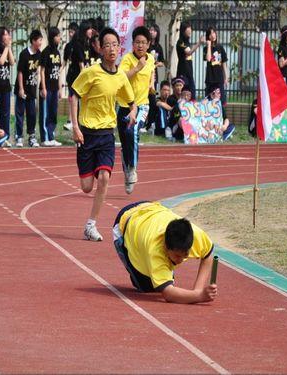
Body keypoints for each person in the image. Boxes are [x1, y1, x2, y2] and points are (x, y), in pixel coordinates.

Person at [70, 27, 136, 242]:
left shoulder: (120, 76)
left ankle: (91, 225)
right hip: (87, 134)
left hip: (107, 134)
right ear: (100, 48)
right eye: (106, 45)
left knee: (105, 177)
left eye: (114, 45)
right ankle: (90, 220)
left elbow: (130, 100)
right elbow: (73, 96)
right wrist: (76, 128)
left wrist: (133, 111)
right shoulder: (91, 72)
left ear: (119, 48)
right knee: (87, 187)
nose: (111, 49)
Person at [112, 201, 218, 304]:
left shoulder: (197, 236)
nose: (180, 260)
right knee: (148, 288)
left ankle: (163, 272)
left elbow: (208, 254)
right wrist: (199, 296)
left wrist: (197, 290)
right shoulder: (154, 250)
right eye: (177, 255)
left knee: (162, 282)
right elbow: (168, 294)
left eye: (185, 255)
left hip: (152, 208)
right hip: (125, 221)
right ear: (165, 247)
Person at [117, 26, 155, 194]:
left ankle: (132, 168)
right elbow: (122, 77)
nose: (140, 46)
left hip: (142, 105)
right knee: (125, 140)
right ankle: (127, 172)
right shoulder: (127, 59)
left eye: (143, 43)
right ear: (133, 44)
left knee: (132, 132)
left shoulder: (151, 59)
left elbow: (151, 72)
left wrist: (152, 84)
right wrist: (137, 68)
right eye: (137, 42)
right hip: (125, 106)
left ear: (148, 45)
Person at [14, 29, 42, 148]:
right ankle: (19, 136)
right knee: (20, 113)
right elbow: (20, 72)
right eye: (40, 40)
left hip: (32, 89)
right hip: (23, 89)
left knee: (31, 114)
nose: (41, 42)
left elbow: (39, 70)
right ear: (33, 41)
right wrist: (21, 89)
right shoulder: (24, 54)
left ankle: (31, 136)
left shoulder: (39, 54)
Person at [39, 27, 62, 147]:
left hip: (54, 87)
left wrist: (60, 88)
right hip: (47, 87)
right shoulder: (45, 52)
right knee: (45, 113)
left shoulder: (58, 53)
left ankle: (51, 135)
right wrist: (43, 88)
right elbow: (42, 71)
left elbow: (58, 71)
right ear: (53, 37)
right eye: (58, 36)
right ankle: (45, 138)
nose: (60, 38)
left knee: (53, 112)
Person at [176, 21, 204, 100]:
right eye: (188, 29)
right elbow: (189, 52)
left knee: (192, 94)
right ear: (183, 30)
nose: (190, 31)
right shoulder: (180, 42)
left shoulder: (187, 42)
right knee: (184, 94)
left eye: (190, 29)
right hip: (183, 72)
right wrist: (199, 43)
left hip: (189, 73)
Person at [204, 26, 228, 105]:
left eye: (213, 33)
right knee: (209, 100)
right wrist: (208, 46)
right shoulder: (206, 48)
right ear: (208, 36)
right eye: (210, 34)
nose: (213, 35)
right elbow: (208, 59)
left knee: (221, 101)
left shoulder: (220, 47)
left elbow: (224, 64)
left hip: (219, 78)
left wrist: (226, 77)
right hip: (210, 79)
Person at [63, 21, 79, 131]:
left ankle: (77, 121)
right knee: (71, 98)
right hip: (72, 76)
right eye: (69, 32)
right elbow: (64, 61)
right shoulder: (68, 46)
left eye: (72, 32)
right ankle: (70, 121)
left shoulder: (80, 45)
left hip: (81, 77)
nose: (70, 34)